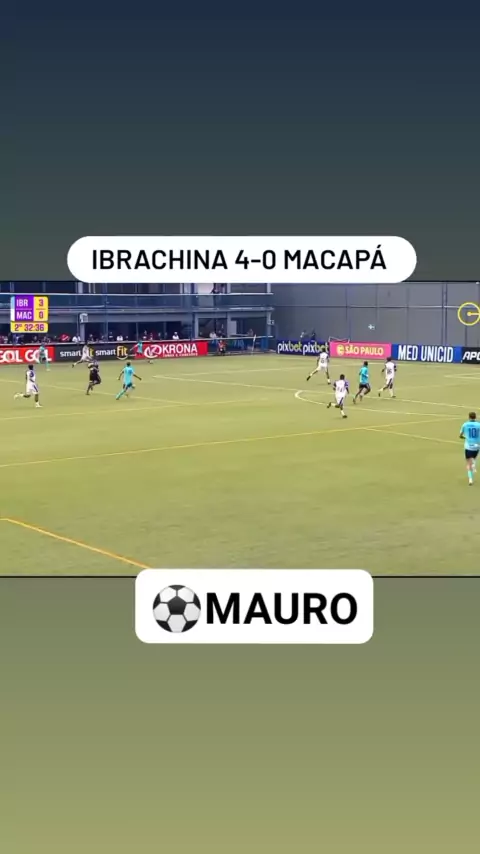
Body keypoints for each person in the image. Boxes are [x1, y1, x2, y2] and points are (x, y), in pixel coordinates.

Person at [459, 412, 480, 486]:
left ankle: (470, 479)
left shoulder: (465, 424)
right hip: (477, 446)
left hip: (468, 446)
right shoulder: (479, 425)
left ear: (469, 417)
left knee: (468, 463)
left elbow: (460, 435)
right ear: (475, 417)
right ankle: (473, 462)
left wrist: (464, 437)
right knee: (473, 458)